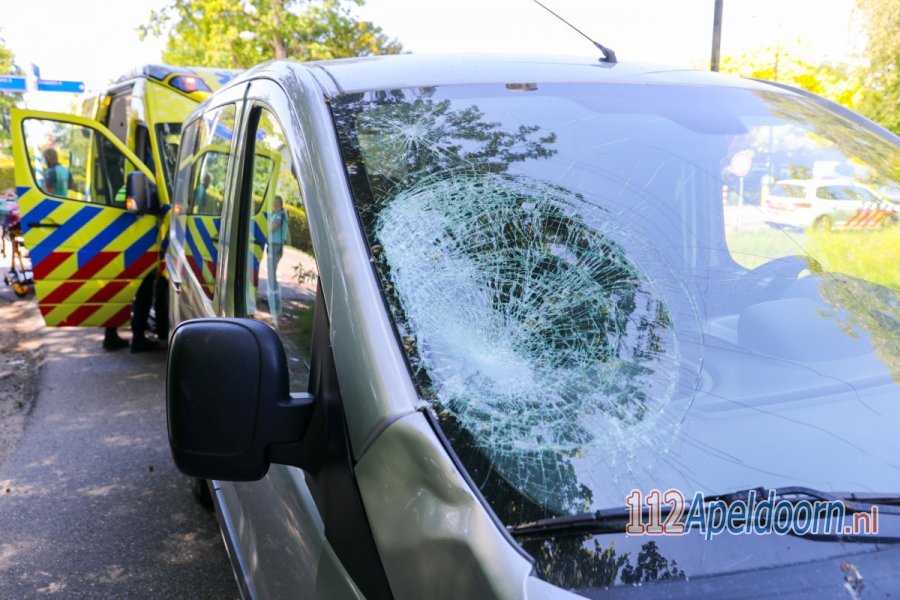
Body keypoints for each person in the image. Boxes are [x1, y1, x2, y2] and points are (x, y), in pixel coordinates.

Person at [266, 195, 289, 318]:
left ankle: (275, 305)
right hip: (274, 245)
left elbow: (274, 226)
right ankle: (273, 303)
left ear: (278, 204)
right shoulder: (279, 213)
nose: (273, 205)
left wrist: (263, 228)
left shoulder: (281, 214)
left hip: (275, 246)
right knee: (271, 275)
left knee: (271, 275)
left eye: (274, 203)